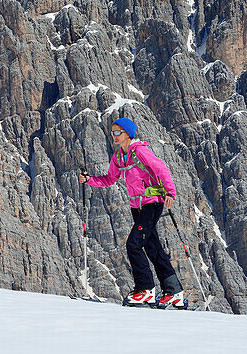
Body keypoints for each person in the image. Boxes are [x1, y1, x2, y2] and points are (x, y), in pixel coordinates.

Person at [79, 117, 186, 307]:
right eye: (112, 132)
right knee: (152, 247)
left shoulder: (141, 151)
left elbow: (161, 169)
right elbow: (109, 179)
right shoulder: (119, 157)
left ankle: (145, 289)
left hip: (152, 203)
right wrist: (89, 180)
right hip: (136, 207)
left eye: (118, 132)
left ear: (128, 133)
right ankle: (174, 292)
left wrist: (170, 192)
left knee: (133, 244)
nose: (114, 136)